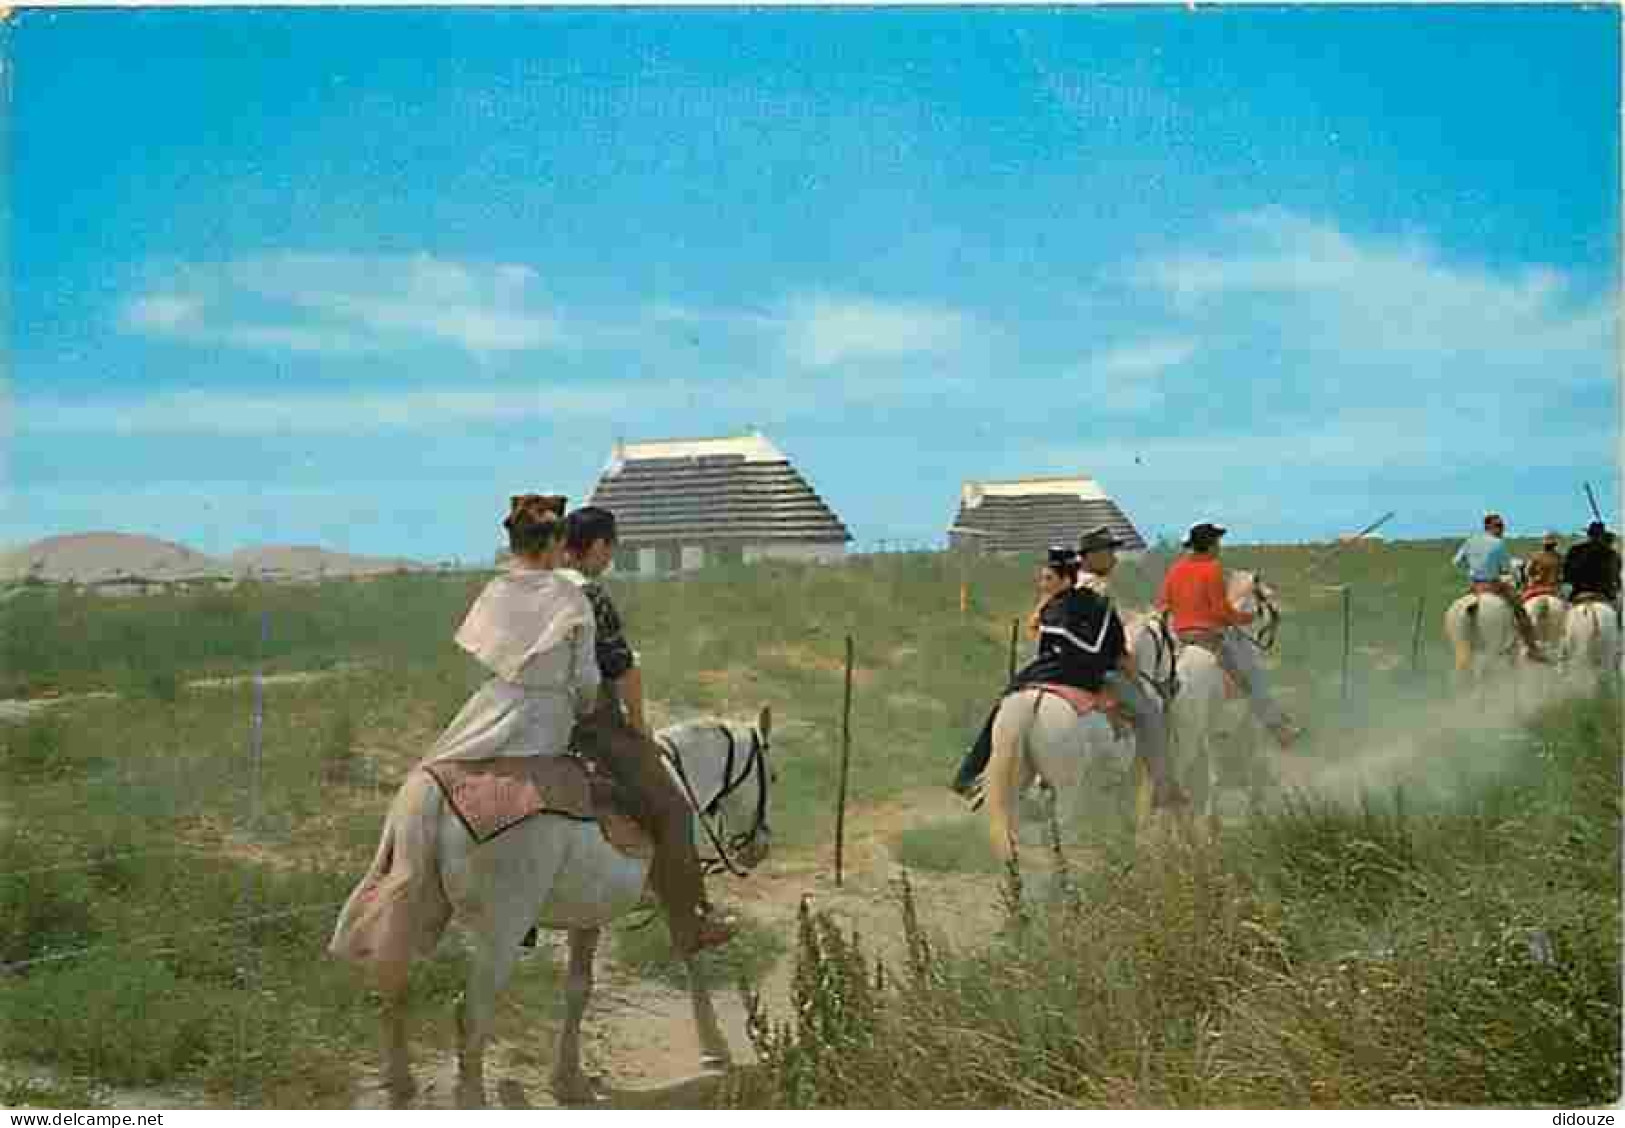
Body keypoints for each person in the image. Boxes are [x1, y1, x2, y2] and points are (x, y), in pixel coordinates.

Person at [557, 505, 733, 955]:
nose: (609, 559)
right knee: (674, 810)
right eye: (609, 549)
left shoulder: (538, 588)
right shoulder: (589, 594)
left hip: (535, 724)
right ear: (597, 546)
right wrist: (638, 729)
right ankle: (691, 923)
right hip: (591, 726)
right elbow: (623, 671)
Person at [950, 533, 1186, 810]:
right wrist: (1127, 663)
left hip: (1049, 661)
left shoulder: (1069, 583)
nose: (1114, 558)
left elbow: (1038, 619)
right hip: (1093, 668)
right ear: (1093, 555)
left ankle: (973, 773)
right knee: (1150, 714)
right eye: (1109, 552)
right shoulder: (1095, 588)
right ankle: (1162, 787)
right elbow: (1108, 639)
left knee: (1006, 701)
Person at [423, 494, 601, 769]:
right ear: (553, 542)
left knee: (433, 769)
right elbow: (586, 679)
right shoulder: (573, 599)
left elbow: (475, 666)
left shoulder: (495, 590)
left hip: (491, 709)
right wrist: (584, 709)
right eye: (562, 543)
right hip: (549, 720)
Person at [1157, 522, 1303, 749]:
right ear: (1211, 545)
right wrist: (1247, 618)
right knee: (1249, 679)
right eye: (1217, 542)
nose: (1219, 547)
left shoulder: (1175, 569)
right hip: (1207, 636)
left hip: (1177, 636)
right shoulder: (1212, 568)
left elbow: (1164, 605)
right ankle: (1279, 730)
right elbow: (1220, 611)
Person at [1452, 513, 1550, 660]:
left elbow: (1457, 562)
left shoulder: (1470, 541)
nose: (1502, 529)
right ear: (1488, 526)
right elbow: (1508, 568)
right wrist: (1516, 577)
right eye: (1498, 525)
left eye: (1502, 525)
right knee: (1520, 610)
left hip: (1475, 585)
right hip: (1493, 585)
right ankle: (1532, 648)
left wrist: (1471, 571)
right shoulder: (1498, 543)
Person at [1563, 520, 1622, 605]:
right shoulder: (1612, 553)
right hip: (1604, 593)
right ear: (1602, 535)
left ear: (1588, 534)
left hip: (1579, 592)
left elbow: (1567, 573)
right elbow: (1615, 575)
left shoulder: (1575, 550)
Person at [1523, 532, 1564, 602]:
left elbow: (1527, 572)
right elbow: (1562, 575)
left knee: (1521, 605)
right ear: (1554, 545)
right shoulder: (1559, 557)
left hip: (1537, 588)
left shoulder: (1535, 556)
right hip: (1554, 589)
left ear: (1543, 545)